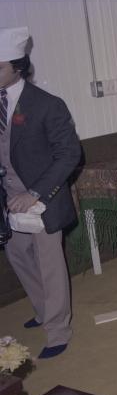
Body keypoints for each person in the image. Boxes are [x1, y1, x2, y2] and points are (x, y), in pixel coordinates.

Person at [0, 26, 81, 359]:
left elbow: (70, 154)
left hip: (42, 195)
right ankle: (43, 308)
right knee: (18, 255)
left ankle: (58, 329)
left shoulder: (48, 105)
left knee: (49, 262)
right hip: (8, 196)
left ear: (18, 67)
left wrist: (35, 193)